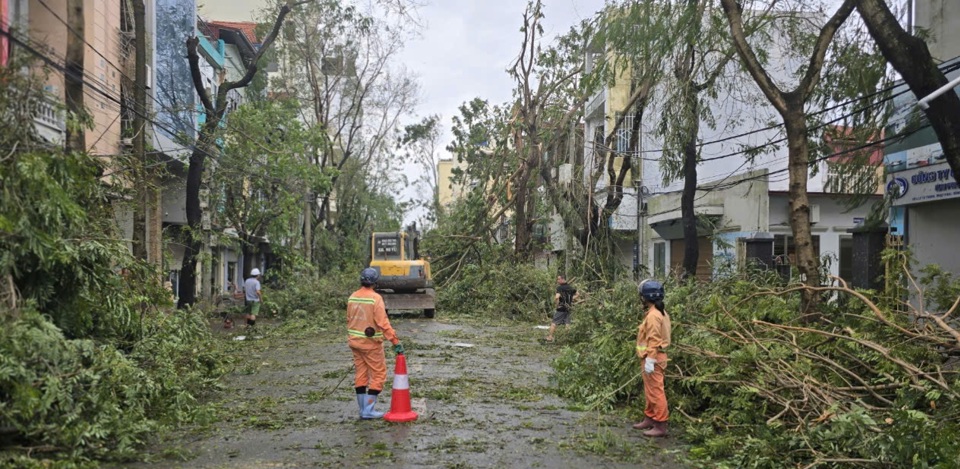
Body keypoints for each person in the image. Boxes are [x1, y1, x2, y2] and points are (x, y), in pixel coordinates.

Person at [347, 267, 403, 419]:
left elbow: (349, 319)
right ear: (375, 282)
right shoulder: (375, 298)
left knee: (361, 374)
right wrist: (395, 341)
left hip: (355, 342)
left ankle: (362, 409)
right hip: (370, 344)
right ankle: (368, 410)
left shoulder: (352, 297)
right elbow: (383, 323)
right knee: (378, 375)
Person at [632, 279, 672, 437]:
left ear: (644, 297)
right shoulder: (656, 312)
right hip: (650, 357)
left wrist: (650, 359)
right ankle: (650, 417)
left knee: (656, 392)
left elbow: (654, 339)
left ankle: (660, 425)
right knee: (650, 391)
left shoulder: (654, 315)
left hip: (654, 358)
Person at [545, 275, 578, 342]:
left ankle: (550, 337)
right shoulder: (570, 287)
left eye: (558, 279)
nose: (558, 281)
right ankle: (567, 338)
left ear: (563, 279)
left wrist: (557, 305)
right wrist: (570, 299)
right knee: (567, 323)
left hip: (561, 308)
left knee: (554, 323)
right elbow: (578, 294)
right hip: (568, 308)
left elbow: (557, 297)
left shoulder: (560, 288)